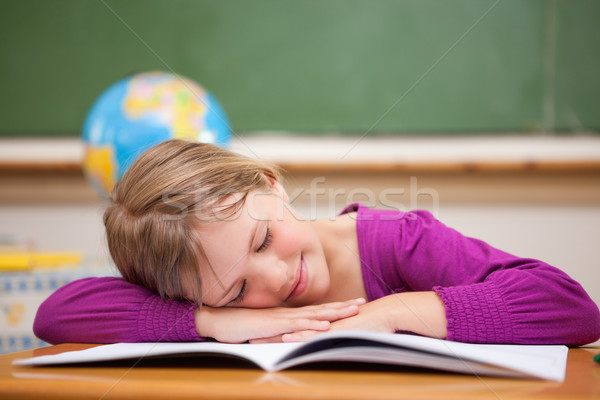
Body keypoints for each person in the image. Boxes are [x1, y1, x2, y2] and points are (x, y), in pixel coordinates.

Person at [34, 139, 600, 346]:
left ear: (270, 183)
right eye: (238, 291)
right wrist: (209, 321)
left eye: (262, 241)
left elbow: (570, 306)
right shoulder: (200, 291)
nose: (277, 280)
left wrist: (395, 312)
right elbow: (58, 315)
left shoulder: (399, 243)